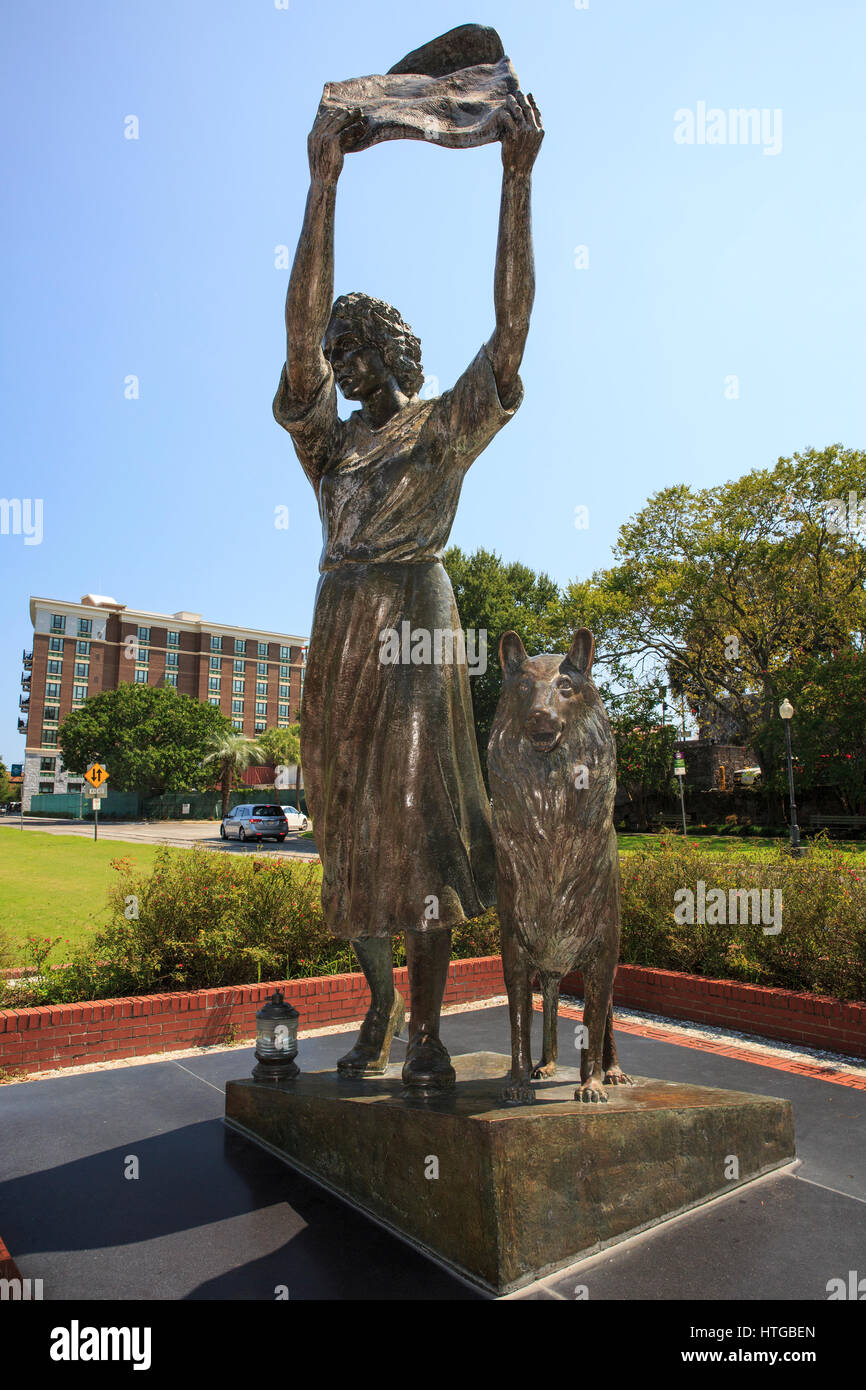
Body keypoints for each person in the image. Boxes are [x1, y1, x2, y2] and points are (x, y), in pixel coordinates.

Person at [274, 90, 543, 1093]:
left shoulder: (441, 426)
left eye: (356, 348)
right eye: (336, 352)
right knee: (349, 826)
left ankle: (425, 1027)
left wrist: (514, 178)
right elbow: (296, 335)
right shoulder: (328, 446)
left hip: (418, 621)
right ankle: (379, 998)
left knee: (420, 822)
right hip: (339, 617)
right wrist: (323, 180)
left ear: (393, 350)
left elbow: (509, 332)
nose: (340, 366)